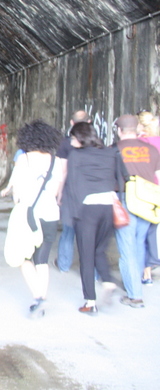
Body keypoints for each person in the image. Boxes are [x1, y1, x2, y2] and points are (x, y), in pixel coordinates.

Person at [64, 122, 124, 315]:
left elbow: (72, 186)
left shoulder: (76, 155)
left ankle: (90, 302)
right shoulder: (110, 153)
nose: (71, 141)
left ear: (80, 138)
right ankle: (108, 281)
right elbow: (120, 178)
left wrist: (72, 215)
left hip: (86, 209)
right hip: (108, 206)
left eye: (73, 138)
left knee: (86, 255)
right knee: (100, 249)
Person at [7, 120, 63, 317]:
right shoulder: (57, 161)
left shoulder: (24, 159)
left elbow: (17, 193)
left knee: (23, 258)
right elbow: (55, 191)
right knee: (42, 259)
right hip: (50, 214)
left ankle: (38, 297)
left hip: (29, 215)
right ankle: (42, 297)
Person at [114, 114, 160, 308]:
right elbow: (157, 177)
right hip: (147, 201)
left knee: (127, 248)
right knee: (140, 242)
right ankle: (138, 282)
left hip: (126, 200)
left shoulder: (114, 150)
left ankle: (135, 295)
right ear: (137, 129)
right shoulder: (152, 150)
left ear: (119, 130)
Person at [54, 110, 92, 272]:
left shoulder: (64, 143)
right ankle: (92, 270)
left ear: (71, 123)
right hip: (90, 191)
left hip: (71, 191)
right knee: (89, 234)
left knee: (68, 231)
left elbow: (63, 171)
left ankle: (63, 264)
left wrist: (59, 193)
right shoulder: (95, 141)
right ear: (89, 122)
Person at [137, 110, 160, 285]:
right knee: (153, 230)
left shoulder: (140, 143)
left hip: (144, 190)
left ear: (140, 125)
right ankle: (150, 266)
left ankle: (145, 273)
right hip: (157, 190)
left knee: (142, 232)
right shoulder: (158, 141)